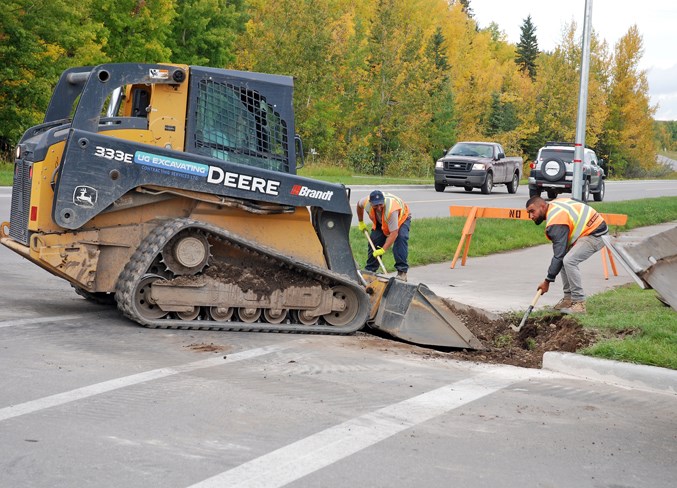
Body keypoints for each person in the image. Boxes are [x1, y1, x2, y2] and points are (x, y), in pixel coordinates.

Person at [525, 196, 608, 314]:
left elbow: (558, 255)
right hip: (591, 229)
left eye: (532, 211)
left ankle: (579, 303)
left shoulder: (556, 221)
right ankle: (568, 300)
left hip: (596, 234)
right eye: (529, 213)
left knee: (569, 260)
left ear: (543, 206)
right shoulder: (554, 204)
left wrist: (547, 281)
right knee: (565, 258)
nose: (531, 216)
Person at [356, 190, 411, 281]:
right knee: (374, 240)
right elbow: (358, 205)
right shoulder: (365, 202)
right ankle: (370, 270)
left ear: (383, 201)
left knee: (400, 239)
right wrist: (361, 222)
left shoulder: (391, 209)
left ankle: (402, 272)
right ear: (370, 203)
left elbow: (394, 233)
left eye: (380, 204)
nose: (378, 208)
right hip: (381, 220)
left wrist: (383, 249)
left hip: (401, 218)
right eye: (375, 205)